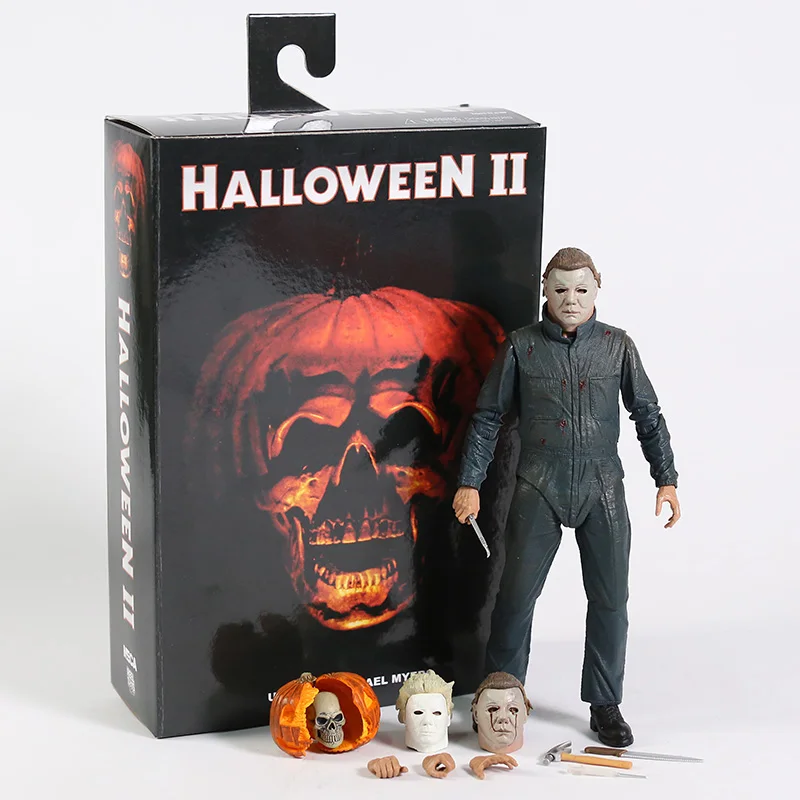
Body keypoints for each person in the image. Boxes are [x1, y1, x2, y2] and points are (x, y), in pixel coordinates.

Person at [453, 247, 680, 747]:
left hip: (603, 486)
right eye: (560, 289)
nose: (570, 299)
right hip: (539, 483)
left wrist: (665, 477)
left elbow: (647, 413)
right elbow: (488, 417)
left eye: (581, 289)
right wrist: (470, 482)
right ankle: (501, 694)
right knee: (516, 596)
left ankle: (605, 702)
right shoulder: (521, 347)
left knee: (611, 599)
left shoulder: (618, 347)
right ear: (544, 289)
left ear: (598, 287)